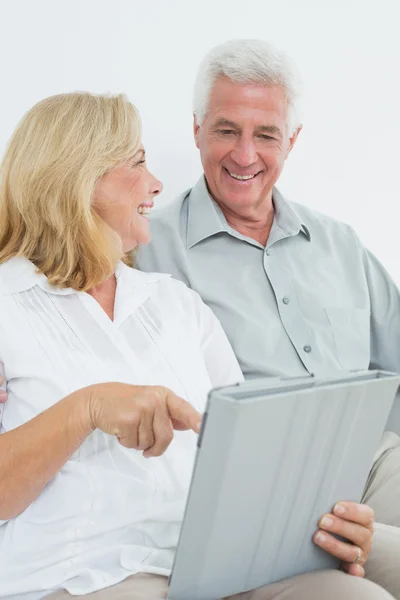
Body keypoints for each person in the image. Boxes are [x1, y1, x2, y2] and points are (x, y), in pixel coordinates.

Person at [0, 93, 390, 600]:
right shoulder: (9, 307)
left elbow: (243, 453)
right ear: (78, 181)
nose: (157, 184)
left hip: (215, 556)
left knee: (359, 596)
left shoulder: (174, 303)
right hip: (86, 574)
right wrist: (88, 408)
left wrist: (321, 517)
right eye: (137, 164)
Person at [136, 39, 400, 598]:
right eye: (227, 130)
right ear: (197, 129)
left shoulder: (338, 242)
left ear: (293, 140)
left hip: (372, 456)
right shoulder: (143, 246)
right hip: (262, 483)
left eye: (266, 135)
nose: (245, 155)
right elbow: (46, 298)